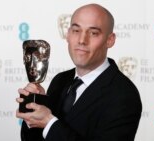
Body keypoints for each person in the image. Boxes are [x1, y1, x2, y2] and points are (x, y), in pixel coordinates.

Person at [16, 3, 142, 141]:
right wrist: (34, 112)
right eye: (76, 31)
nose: (82, 40)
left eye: (93, 33)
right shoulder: (60, 80)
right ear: (68, 35)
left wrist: (49, 123)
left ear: (110, 40)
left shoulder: (124, 95)